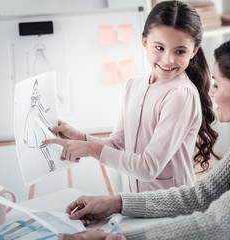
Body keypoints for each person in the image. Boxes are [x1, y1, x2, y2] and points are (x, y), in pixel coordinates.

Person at [57, 33, 230, 240]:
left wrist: (120, 238)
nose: (210, 93)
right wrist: (118, 203)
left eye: (217, 84)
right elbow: (201, 195)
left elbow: (220, 222)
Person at [43, 0, 219, 192]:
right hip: (136, 207)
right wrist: (81, 138)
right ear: (144, 41)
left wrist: (90, 150)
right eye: (159, 47)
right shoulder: (134, 86)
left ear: (193, 51)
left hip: (171, 211)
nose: (168, 59)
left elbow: (148, 167)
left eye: (180, 51)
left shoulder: (180, 95)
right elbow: (118, 146)